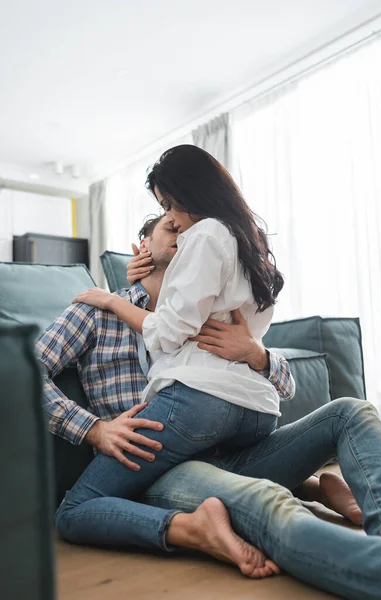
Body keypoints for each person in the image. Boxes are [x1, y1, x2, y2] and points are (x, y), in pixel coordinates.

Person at [37, 213, 381, 598]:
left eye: (192, 230)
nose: (188, 235)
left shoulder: (212, 308)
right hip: (160, 465)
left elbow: (287, 385)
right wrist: (95, 429)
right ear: (142, 247)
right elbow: (21, 375)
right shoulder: (97, 311)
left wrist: (258, 355)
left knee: (352, 411)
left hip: (238, 450)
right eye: (172, 228)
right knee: (264, 501)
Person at [72, 145, 288, 499]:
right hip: (257, 411)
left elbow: (168, 332)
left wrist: (257, 354)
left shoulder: (206, 237)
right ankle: (308, 486)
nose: (176, 224)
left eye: (172, 207)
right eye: (164, 214)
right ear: (141, 248)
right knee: (212, 484)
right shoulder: (245, 245)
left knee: (79, 506)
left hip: (201, 405)